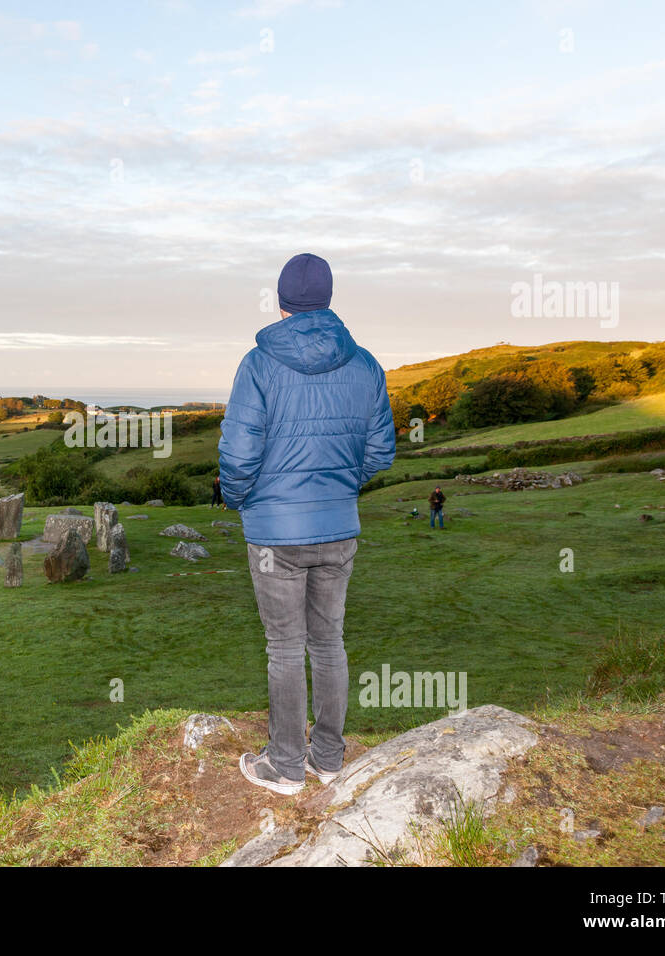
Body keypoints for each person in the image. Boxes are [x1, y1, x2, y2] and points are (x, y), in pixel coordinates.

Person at [219, 253, 396, 795]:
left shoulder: (258, 363)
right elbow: (380, 450)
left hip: (274, 534)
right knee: (329, 643)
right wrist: (340, 486)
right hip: (338, 527)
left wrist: (238, 498)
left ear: (281, 303)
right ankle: (329, 757)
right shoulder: (364, 364)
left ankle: (287, 766)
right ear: (328, 298)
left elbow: (238, 454)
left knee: (284, 647)